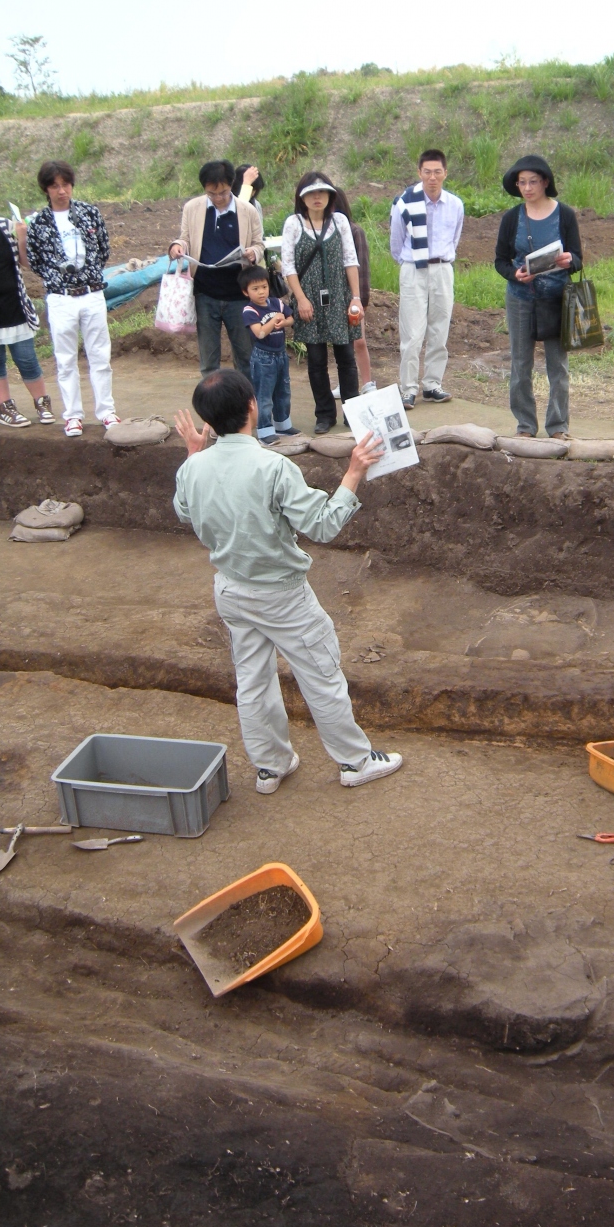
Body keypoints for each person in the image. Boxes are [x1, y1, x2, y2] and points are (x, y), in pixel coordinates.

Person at [173, 369, 403, 793]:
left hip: (231, 590)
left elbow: (184, 511)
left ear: (207, 420)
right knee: (321, 675)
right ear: (252, 407)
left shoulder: (194, 467)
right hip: (281, 595)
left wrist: (193, 454)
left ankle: (270, 767)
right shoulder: (273, 466)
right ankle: (354, 761)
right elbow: (324, 525)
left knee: (252, 681)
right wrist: (354, 472)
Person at [26, 160, 118, 437]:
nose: (61, 191)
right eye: (55, 186)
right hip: (60, 297)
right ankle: (73, 415)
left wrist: (88, 274)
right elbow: (35, 260)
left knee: (100, 355)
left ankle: (106, 411)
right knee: (65, 359)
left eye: (65, 184)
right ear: (46, 189)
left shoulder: (89, 213)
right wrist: (57, 278)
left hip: (91, 292)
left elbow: (103, 248)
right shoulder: (39, 222)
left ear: (72, 185)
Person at [495, 156, 582, 440]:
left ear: (545, 182)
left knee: (558, 365)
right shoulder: (512, 218)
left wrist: (569, 260)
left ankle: (558, 426)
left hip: (556, 298)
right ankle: (525, 425)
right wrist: (515, 274)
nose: (527, 188)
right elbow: (500, 261)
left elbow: (578, 257)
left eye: (533, 182)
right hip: (521, 298)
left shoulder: (565, 215)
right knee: (520, 364)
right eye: (522, 183)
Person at [281, 171, 364, 434]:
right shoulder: (294, 223)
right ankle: (325, 415)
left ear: (330, 195)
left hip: (339, 297)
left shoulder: (339, 221)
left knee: (346, 357)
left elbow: (350, 260)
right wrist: (301, 299)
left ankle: (353, 413)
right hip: (308, 300)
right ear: (302, 197)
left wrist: (355, 298)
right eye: (311, 193)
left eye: (322, 192)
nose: (317, 197)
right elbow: (288, 266)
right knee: (316, 361)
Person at [168, 159, 265, 380]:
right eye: (212, 193)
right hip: (205, 294)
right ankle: (213, 400)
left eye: (223, 192)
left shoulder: (247, 210)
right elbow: (185, 238)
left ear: (232, 185)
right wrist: (177, 246)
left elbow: (259, 244)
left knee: (246, 357)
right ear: (204, 188)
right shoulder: (193, 208)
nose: (219, 198)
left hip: (238, 294)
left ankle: (246, 399)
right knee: (209, 361)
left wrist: (253, 253)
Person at [390, 149, 463, 410]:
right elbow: (396, 241)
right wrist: (410, 262)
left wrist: (440, 261)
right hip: (413, 269)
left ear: (445, 173)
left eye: (437, 172)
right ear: (419, 172)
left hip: (442, 268)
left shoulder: (455, 204)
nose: (432, 177)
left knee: (439, 328)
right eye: (427, 172)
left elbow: (455, 238)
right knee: (412, 332)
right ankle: (408, 388)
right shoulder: (405, 202)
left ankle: (432, 384)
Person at [0, 189, 54, 428]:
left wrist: (22, 238)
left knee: (26, 358)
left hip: (15, 306)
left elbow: (26, 263)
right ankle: (6, 408)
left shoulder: (6, 227)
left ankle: (42, 403)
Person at [239, 264, 300, 446]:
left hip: (280, 354)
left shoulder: (276, 303)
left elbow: (291, 318)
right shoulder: (249, 310)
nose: (261, 292)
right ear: (245, 292)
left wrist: (284, 322)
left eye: (264, 287)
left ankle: (282, 425)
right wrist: (274, 320)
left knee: (283, 391)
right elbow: (259, 333)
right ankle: (264, 431)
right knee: (264, 395)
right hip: (263, 358)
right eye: (255, 289)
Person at [333, 187, 376, 394]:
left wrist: (362, 298)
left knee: (359, 340)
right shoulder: (321, 232)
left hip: (352, 295)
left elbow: (362, 267)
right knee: (341, 343)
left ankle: (367, 383)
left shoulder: (355, 231)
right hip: (333, 296)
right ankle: (345, 383)